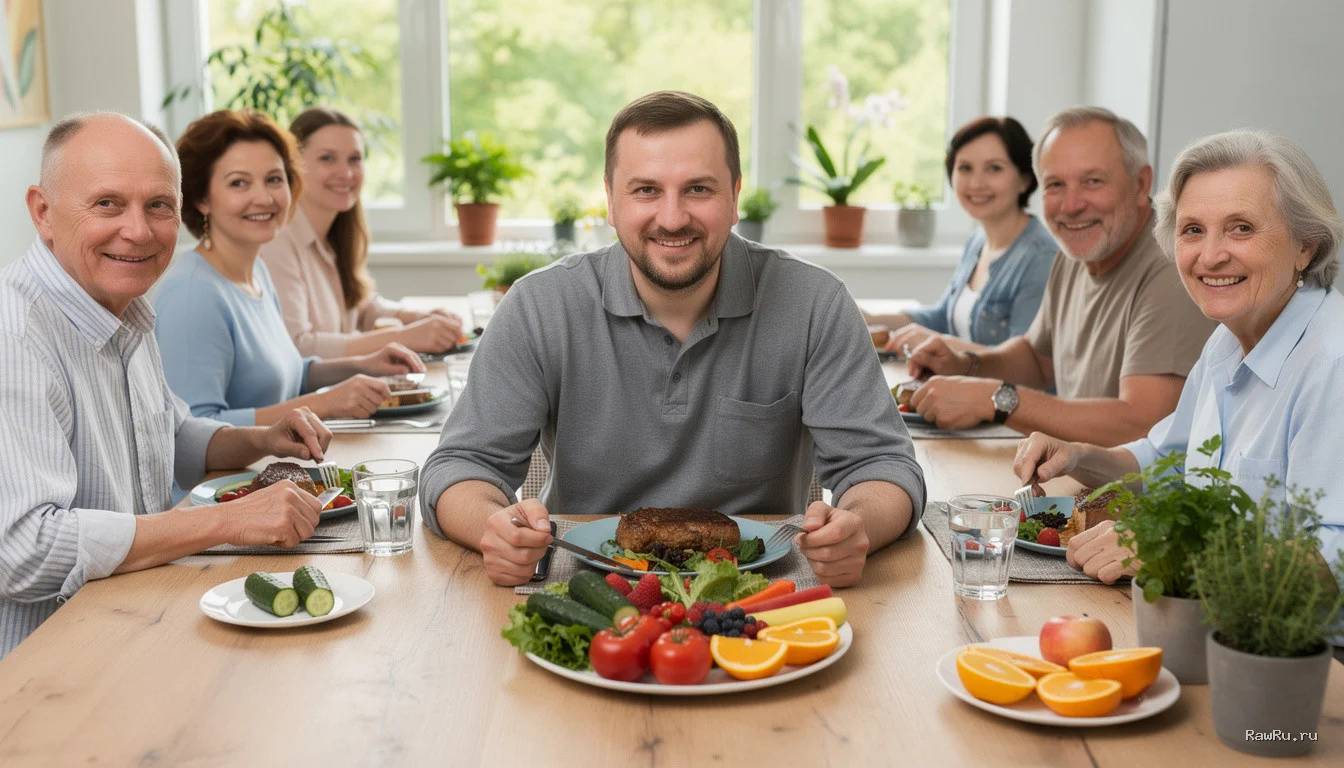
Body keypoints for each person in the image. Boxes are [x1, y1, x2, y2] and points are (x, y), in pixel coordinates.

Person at [420, 91, 926, 587]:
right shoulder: (539, 306)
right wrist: (494, 527)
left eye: (698, 189)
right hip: (587, 587)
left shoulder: (815, 303)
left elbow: (883, 465)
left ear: (734, 196)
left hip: (764, 591)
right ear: (611, 202)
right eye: (645, 190)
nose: (672, 217)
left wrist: (857, 525)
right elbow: (460, 466)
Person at [0, 113, 333, 658]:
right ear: (43, 212)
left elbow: (167, 430)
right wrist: (224, 520)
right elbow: (25, 551)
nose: (138, 230)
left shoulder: (121, 306)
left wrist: (263, 439)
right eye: (107, 203)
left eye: (158, 205)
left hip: (138, 626)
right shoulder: (14, 337)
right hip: (45, 671)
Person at [1013, 130, 1344, 584]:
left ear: (1306, 244)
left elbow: (1334, 555)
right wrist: (1080, 456)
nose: (1210, 255)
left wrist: (1172, 552)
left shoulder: (1332, 361)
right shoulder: (1227, 341)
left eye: (1241, 228)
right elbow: (1165, 461)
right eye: (1193, 230)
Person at [906, 107, 1217, 446]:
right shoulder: (1081, 245)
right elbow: (1038, 359)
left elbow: (1141, 423)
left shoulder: (1171, 264)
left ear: (1141, 183)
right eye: (1055, 185)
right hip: (1080, 477)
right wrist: (966, 365)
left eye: (1092, 181)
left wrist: (995, 398)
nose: (1070, 206)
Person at [153, 110, 424, 427]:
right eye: (239, 183)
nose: (264, 197)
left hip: (274, 469)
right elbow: (193, 430)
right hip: (221, 478)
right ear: (201, 198)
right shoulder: (193, 294)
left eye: (274, 180)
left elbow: (288, 374)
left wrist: (363, 365)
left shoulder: (255, 274)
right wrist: (323, 403)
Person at [260, 107, 463, 357]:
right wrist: (404, 337)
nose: (346, 173)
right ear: (293, 165)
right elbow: (298, 348)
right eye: (327, 158)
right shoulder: (277, 240)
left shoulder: (336, 233)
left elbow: (362, 306)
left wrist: (414, 318)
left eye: (354, 159)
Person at [864, 116, 1057, 352]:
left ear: (1025, 180)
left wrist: (940, 344)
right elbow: (942, 318)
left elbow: (1027, 364)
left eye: (994, 168)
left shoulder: (1041, 258)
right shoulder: (978, 241)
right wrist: (869, 319)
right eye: (965, 168)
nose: (976, 183)